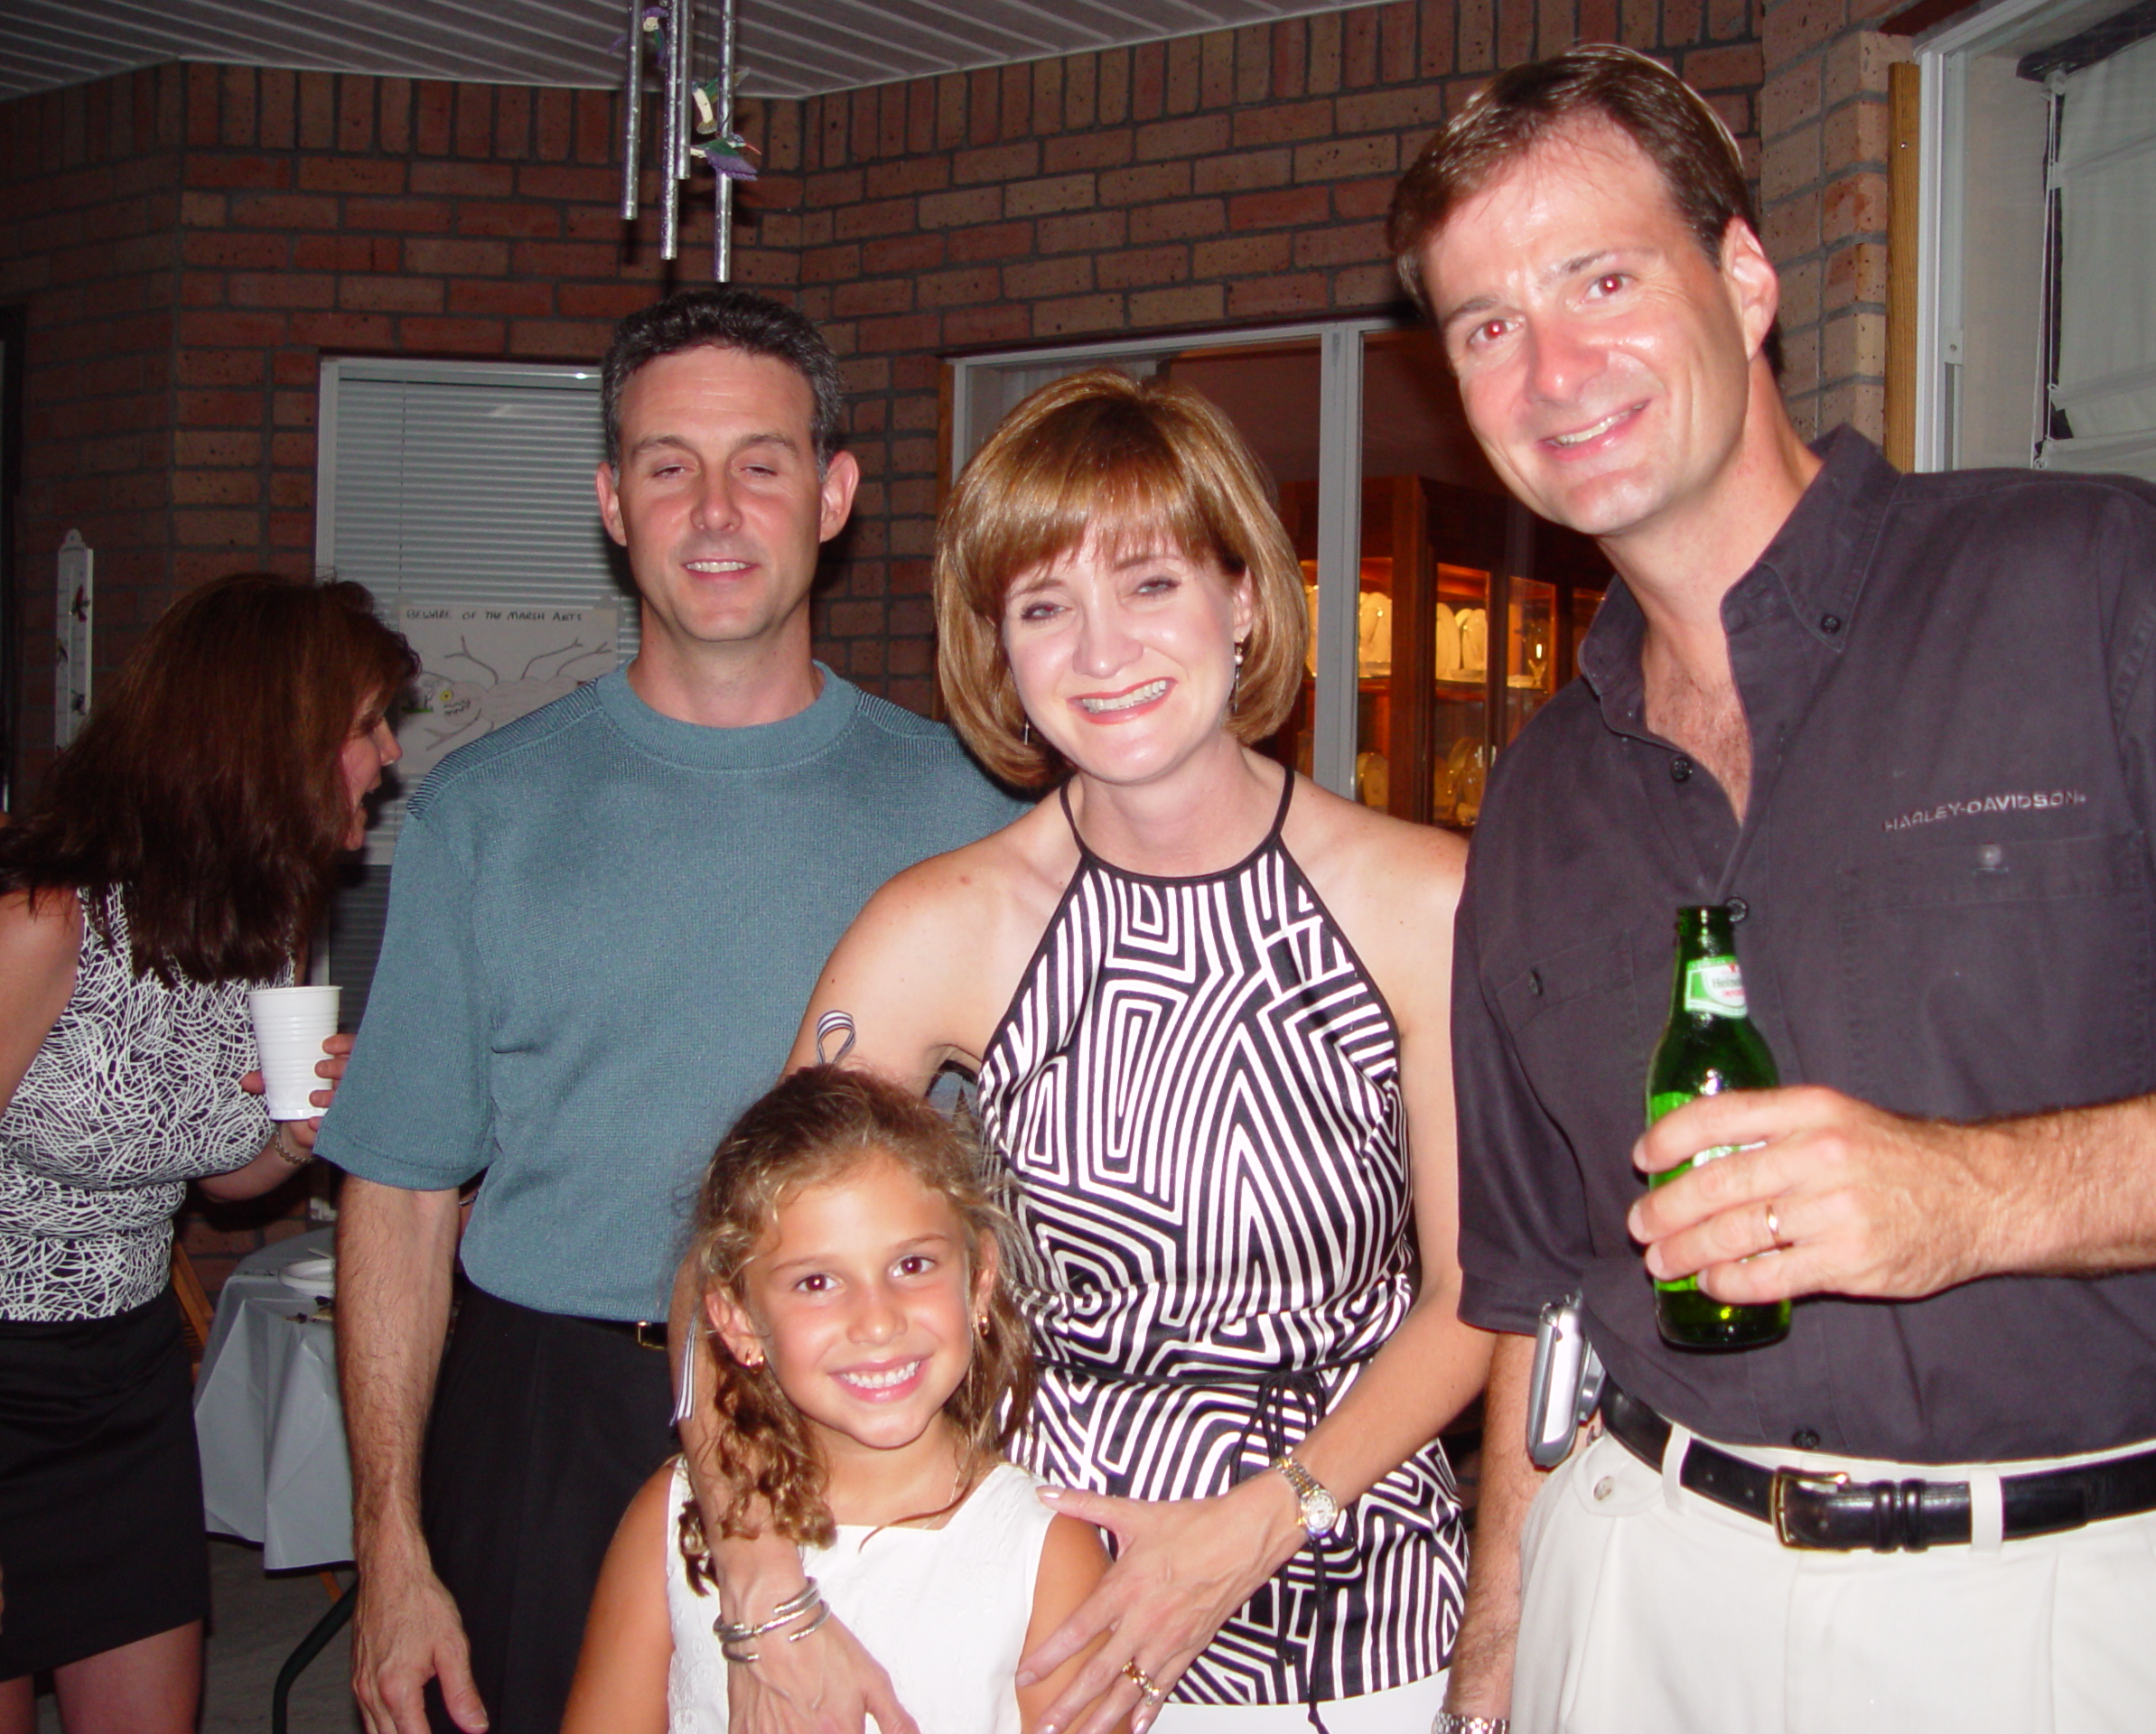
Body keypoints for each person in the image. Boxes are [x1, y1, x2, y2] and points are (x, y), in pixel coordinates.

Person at [1385, 44, 2156, 1734]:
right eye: (1487, 325)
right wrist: (1494, 1664)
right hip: (1635, 1588)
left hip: (2056, 1610)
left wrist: (1979, 1197)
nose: (1555, 368)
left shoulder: (2116, 589)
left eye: (1602, 279)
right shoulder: (1533, 800)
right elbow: (1539, 1293)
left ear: (1745, 278)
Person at [688, 369, 1491, 1734]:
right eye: (1045, 606)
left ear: (1246, 599)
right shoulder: (943, 926)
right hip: (1038, 1618)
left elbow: (1479, 1296)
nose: (1102, 651)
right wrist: (761, 1580)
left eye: (1151, 584)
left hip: (1355, 1609)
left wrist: (1260, 1522)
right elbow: (739, 1264)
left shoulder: (1426, 904)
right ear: (999, 649)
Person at [320, 288, 1024, 1734]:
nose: (714, 510)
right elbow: (398, 1198)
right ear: (611, 502)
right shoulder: (480, 816)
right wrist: (388, 1544)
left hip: (861, 1411)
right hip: (547, 1417)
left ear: (832, 494)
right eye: (667, 466)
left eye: (760, 463)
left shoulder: (967, 809)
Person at [0, 573, 415, 1734]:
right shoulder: (43, 923)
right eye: (366, 724)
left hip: (124, 1380)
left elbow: (220, 1182)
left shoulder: (261, 924)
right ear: (267, 742)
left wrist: (294, 1134)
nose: (388, 754)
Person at [564, 1066, 1108, 1734]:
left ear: (979, 1280)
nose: (877, 1322)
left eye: (912, 1265)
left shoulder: (1045, 1551)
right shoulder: (671, 1518)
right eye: (817, 1282)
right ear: (737, 1320)